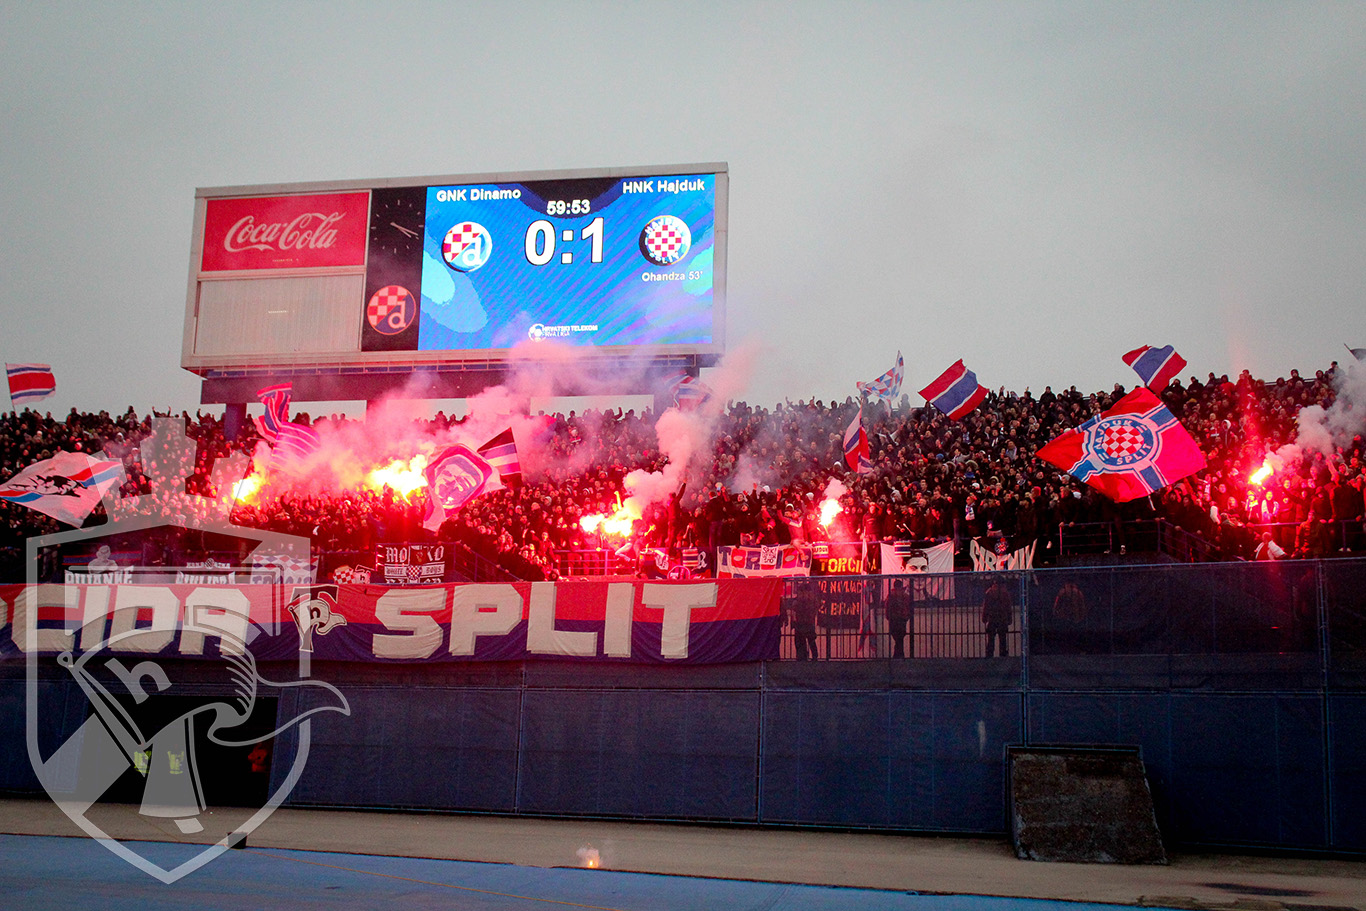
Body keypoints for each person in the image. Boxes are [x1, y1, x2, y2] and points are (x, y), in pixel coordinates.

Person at [981, 575, 1014, 657]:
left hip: (992, 618)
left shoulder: (989, 592)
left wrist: (984, 617)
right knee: (1003, 639)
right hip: (1002, 618)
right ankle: (1003, 657)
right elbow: (1008, 607)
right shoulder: (1005, 593)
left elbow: (986, 606)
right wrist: (1009, 619)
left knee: (991, 639)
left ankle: (989, 656)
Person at [887, 578, 912, 658]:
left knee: (896, 636)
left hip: (893, 619)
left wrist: (888, 617)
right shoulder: (905, 595)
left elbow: (887, 606)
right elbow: (908, 607)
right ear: (901, 586)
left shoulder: (891, 594)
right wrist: (907, 616)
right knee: (900, 636)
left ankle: (897, 655)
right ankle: (899, 654)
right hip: (902, 619)